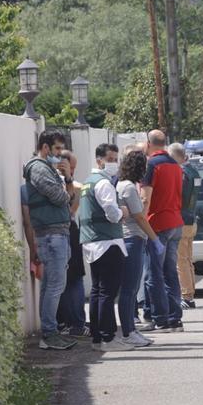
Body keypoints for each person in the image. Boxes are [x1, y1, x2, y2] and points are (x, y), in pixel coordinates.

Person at [25, 131, 77, 350]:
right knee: (55, 285)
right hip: (51, 234)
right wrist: (65, 189)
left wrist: (67, 180)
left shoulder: (48, 169)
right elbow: (60, 197)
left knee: (52, 285)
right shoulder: (38, 168)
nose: (59, 155)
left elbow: (68, 195)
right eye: (56, 149)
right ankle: (49, 333)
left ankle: (50, 331)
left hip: (56, 233)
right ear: (45, 148)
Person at [79, 143, 133, 351]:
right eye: (110, 159)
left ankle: (97, 337)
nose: (113, 163)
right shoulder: (103, 184)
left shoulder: (87, 183)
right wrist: (122, 213)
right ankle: (108, 338)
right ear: (99, 160)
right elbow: (111, 211)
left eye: (115, 159)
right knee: (108, 293)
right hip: (108, 243)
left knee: (98, 291)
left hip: (93, 243)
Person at [116, 149, 163, 348]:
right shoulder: (128, 187)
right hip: (133, 239)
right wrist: (155, 239)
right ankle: (128, 332)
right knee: (130, 289)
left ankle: (131, 330)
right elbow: (139, 216)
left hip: (131, 239)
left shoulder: (123, 185)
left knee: (131, 289)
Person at [140, 130, 185, 333]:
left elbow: (145, 198)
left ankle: (160, 318)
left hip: (157, 224)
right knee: (170, 272)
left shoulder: (151, 165)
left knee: (154, 274)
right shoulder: (175, 165)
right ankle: (175, 317)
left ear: (149, 144)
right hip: (176, 222)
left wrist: (142, 221)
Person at [56, 150, 89, 337]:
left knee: (73, 278)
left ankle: (73, 321)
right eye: (72, 167)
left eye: (75, 167)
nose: (74, 170)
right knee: (70, 279)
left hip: (70, 229)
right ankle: (72, 321)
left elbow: (72, 209)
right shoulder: (67, 185)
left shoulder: (76, 186)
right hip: (64, 231)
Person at [170, 142, 199, 309]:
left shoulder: (181, 173)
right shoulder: (194, 171)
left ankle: (186, 296)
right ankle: (190, 293)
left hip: (181, 220)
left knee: (181, 261)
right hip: (191, 219)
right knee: (188, 260)